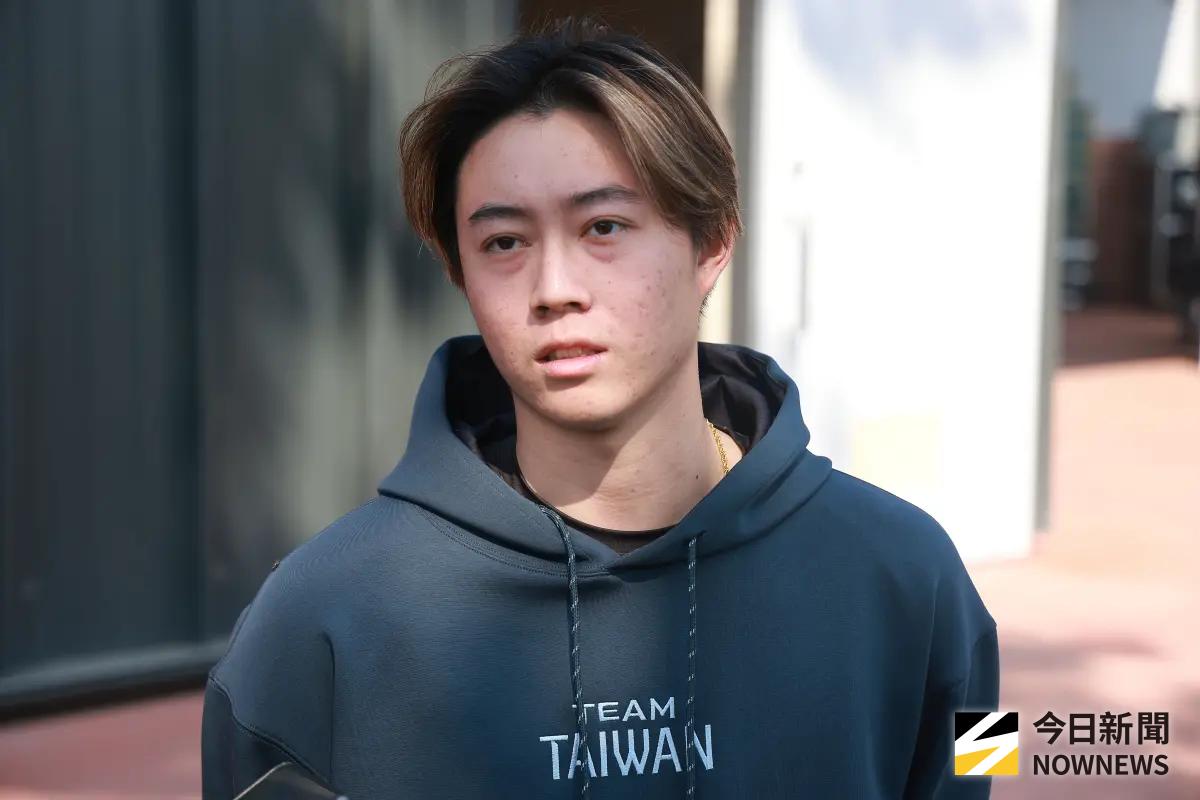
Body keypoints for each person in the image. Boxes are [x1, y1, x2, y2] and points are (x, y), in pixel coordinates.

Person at [202, 18, 998, 799]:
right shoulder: (315, 621)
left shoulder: (919, 581)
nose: (555, 289)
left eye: (604, 227)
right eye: (504, 242)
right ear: (460, 272)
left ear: (711, 244)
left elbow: (987, 763)